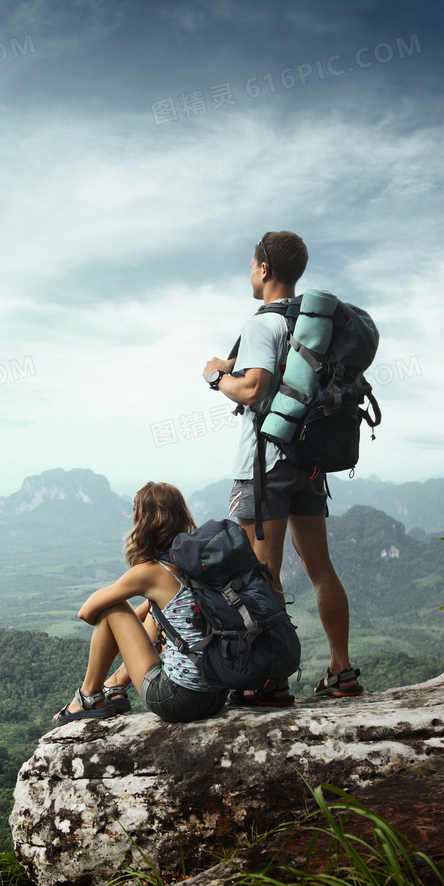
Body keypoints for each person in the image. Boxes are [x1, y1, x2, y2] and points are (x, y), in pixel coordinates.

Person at [201, 230, 362, 706]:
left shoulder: (261, 325)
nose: (250, 273)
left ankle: (269, 680)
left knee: (261, 575)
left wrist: (215, 376)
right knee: (321, 569)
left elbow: (252, 389)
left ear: (265, 268)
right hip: (311, 464)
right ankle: (341, 669)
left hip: (265, 466)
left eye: (252, 264)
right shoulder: (315, 326)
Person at [52, 482, 227, 725]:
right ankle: (115, 686)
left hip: (178, 700)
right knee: (151, 611)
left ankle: (88, 696)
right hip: (215, 696)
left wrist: (117, 614)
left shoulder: (151, 572)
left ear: (144, 522)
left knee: (114, 607)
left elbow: (87, 612)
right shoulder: (194, 565)